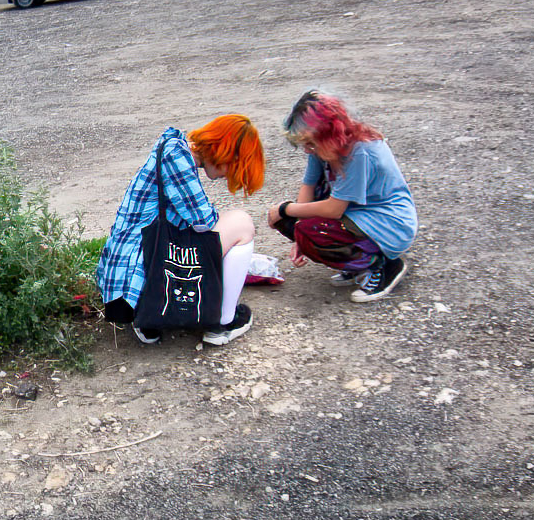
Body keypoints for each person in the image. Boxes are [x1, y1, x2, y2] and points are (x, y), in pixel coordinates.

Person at [96, 114, 265, 346]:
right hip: (140, 285)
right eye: (233, 166)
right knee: (242, 223)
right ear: (224, 151)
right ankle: (222, 324)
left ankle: (149, 322)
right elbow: (203, 220)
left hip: (126, 288)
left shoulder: (171, 148)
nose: (227, 175)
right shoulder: (176, 154)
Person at [268, 90, 418, 303]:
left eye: (309, 143)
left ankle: (382, 265)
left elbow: (333, 209)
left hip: (388, 223)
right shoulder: (323, 148)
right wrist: (297, 234)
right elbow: (308, 184)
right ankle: (356, 263)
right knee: (291, 223)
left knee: (303, 226)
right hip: (356, 214)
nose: (307, 150)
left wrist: (286, 209)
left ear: (327, 132)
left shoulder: (360, 151)